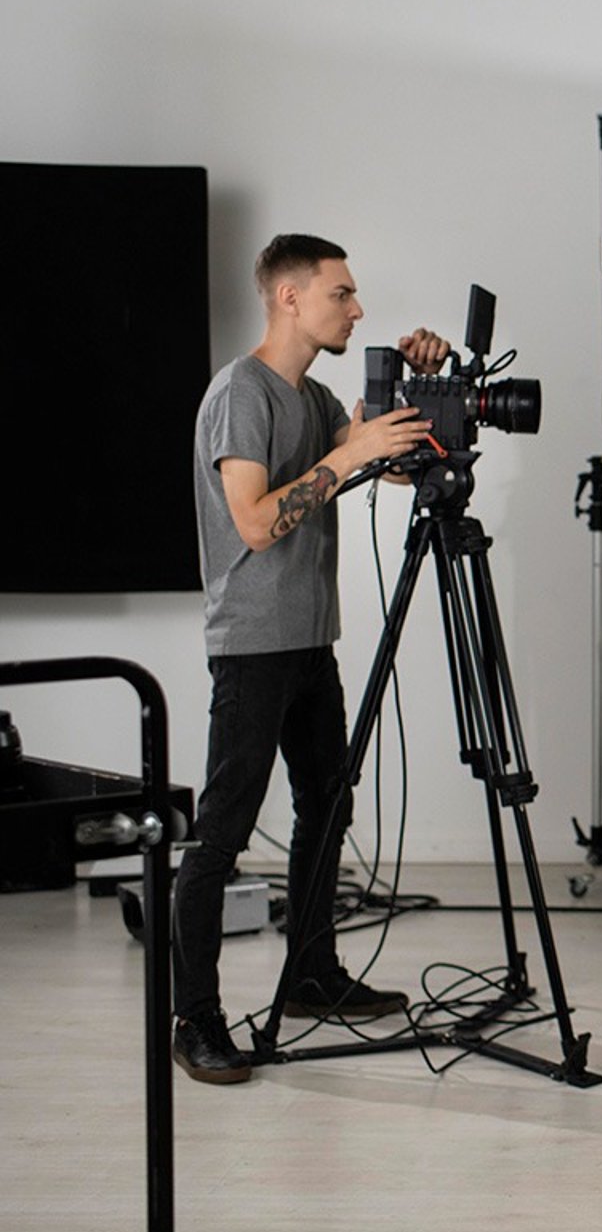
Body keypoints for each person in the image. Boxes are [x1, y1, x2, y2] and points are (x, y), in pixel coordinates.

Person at [173, 234, 445, 1085]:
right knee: (220, 835)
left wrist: (420, 380)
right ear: (290, 297)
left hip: (309, 642)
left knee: (326, 806)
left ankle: (311, 976)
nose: (357, 309)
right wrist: (347, 454)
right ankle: (197, 1020)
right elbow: (253, 523)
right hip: (251, 648)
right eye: (343, 295)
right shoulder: (239, 393)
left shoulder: (319, 397)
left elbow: (390, 466)